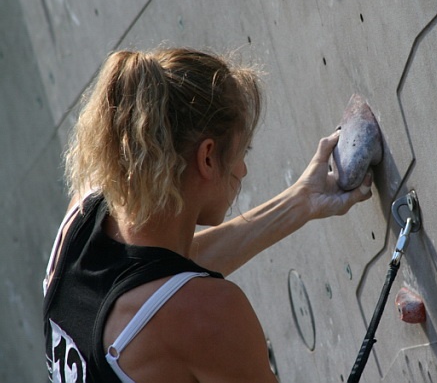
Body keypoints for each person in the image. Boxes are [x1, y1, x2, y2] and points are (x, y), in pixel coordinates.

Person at [43, 47, 373, 383]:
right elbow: (176, 304)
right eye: (242, 152)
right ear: (208, 158)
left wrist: (301, 202)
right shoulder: (206, 317)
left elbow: (162, 278)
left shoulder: (83, 211)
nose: (242, 169)